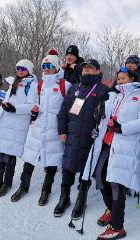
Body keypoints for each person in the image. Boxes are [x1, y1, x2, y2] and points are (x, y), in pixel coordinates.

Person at [82, 66, 140, 240]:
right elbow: (104, 117)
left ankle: (117, 226)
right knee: (99, 175)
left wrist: (123, 128)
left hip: (124, 146)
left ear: (132, 79)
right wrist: (98, 122)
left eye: (123, 78)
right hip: (107, 143)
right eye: (118, 78)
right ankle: (112, 210)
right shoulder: (115, 96)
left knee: (116, 183)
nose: (120, 81)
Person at [10, 50, 71, 205]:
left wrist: (66, 127)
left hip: (55, 127)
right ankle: (24, 186)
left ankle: (46, 190)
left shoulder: (65, 85)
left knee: (52, 158)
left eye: (49, 65)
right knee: (30, 156)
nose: (46, 68)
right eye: (44, 65)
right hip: (39, 126)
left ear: (56, 66)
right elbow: (34, 102)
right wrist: (35, 108)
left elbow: (70, 108)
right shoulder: (40, 85)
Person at [53, 59, 110, 217]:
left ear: (98, 71)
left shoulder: (104, 90)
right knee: (68, 166)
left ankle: (81, 200)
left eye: (90, 68)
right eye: (84, 67)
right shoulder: (74, 88)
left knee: (86, 169)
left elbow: (107, 116)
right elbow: (64, 111)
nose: (86, 70)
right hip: (72, 134)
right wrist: (62, 130)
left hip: (90, 137)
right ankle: (64, 198)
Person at [0, 59, 38, 198]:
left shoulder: (31, 84)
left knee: (9, 156)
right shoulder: (13, 82)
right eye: (18, 68)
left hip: (17, 124)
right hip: (5, 122)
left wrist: (15, 109)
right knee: (0, 154)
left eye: (23, 68)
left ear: (29, 71)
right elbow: (9, 101)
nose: (20, 70)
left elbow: (31, 105)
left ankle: (6, 184)